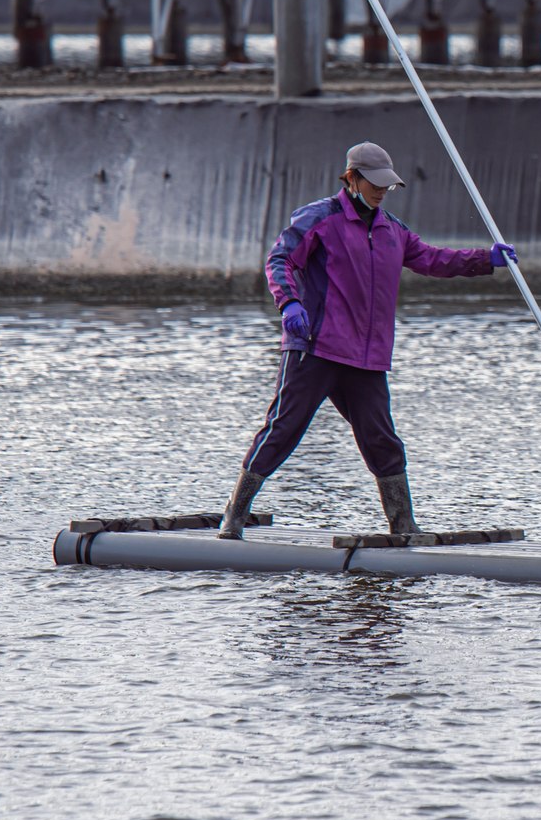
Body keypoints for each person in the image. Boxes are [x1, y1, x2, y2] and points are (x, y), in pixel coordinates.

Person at [219, 140, 516, 539]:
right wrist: (289, 303)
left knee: (382, 440)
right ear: (352, 178)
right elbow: (280, 260)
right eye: (373, 182)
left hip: (366, 358)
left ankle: (403, 525)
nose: (381, 190)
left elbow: (433, 259)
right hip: (316, 346)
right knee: (284, 429)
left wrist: (485, 259)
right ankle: (234, 516)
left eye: (387, 184)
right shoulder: (320, 219)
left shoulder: (392, 230)